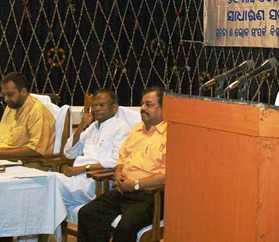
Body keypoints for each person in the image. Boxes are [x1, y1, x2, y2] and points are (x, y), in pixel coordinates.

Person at [77, 87, 166, 242]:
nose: (143, 108)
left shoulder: (171, 134)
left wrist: (136, 185)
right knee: (87, 213)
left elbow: (168, 175)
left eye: (149, 105)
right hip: (123, 190)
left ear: (164, 108)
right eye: (142, 104)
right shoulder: (137, 129)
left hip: (150, 196)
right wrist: (118, 173)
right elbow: (122, 158)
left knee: (125, 228)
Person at [53, 89, 132, 211]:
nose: (97, 109)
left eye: (102, 105)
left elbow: (115, 161)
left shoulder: (121, 128)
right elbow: (69, 153)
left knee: (48, 186)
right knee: (45, 184)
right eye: (94, 106)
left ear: (115, 108)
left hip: (96, 181)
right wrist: (80, 127)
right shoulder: (92, 128)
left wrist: (82, 168)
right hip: (76, 178)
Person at [0, 72, 55, 159]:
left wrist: (2, 154)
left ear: (23, 92)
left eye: (10, 95)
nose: (5, 99)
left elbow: (36, 150)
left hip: (27, 164)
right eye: (3, 95)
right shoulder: (11, 107)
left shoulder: (37, 111)